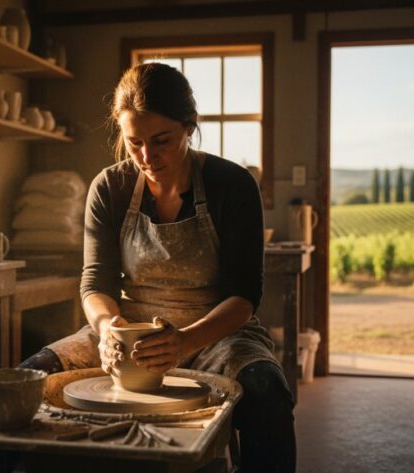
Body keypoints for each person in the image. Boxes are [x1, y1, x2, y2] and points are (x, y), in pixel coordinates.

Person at [20, 62, 296, 472]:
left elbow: (244, 297)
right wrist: (107, 330)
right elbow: (95, 283)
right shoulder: (110, 188)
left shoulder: (232, 184)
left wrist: (185, 341)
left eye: (161, 140)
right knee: (28, 381)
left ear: (190, 126)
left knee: (268, 394)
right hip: (128, 329)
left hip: (216, 333)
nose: (147, 156)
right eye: (134, 143)